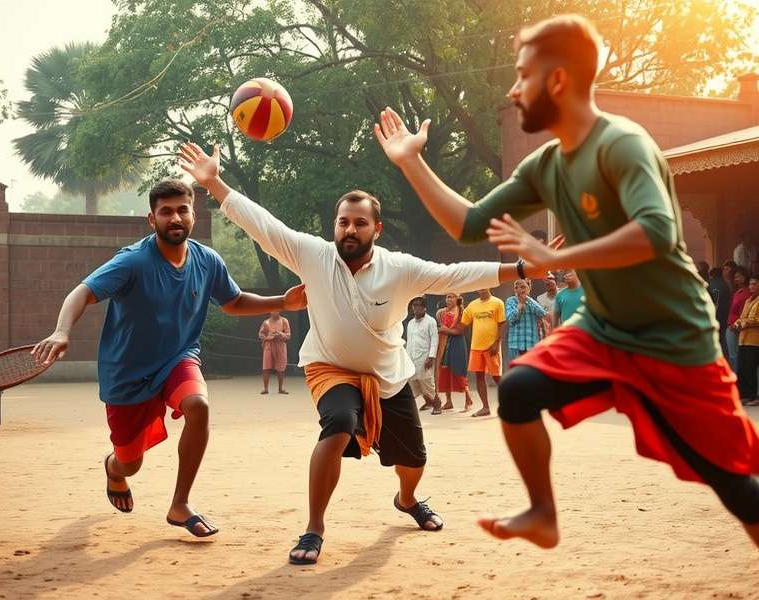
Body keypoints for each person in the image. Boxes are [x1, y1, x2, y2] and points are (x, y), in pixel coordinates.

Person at [374, 14, 759, 548]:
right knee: (519, 388)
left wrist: (556, 258)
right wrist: (411, 164)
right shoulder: (546, 164)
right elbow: (467, 224)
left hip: (675, 340)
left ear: (557, 81)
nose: (512, 90)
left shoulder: (622, 144)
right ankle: (542, 512)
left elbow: (654, 230)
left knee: (737, 486)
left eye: (522, 75)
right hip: (605, 330)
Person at [179, 143, 535, 565]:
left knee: (414, 459)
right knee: (339, 424)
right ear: (334, 226)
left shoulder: (399, 268)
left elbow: (454, 275)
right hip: (330, 368)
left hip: (388, 374)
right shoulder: (313, 255)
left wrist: (524, 268)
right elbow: (265, 226)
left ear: (376, 229)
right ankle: (313, 529)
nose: (349, 230)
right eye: (343, 222)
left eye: (360, 223)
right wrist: (214, 183)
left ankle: (407, 499)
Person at [32, 179, 307, 537]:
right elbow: (82, 292)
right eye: (166, 211)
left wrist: (282, 302)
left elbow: (233, 301)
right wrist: (62, 330)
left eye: (182, 209)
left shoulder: (207, 260)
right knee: (130, 463)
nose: (175, 217)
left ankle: (180, 504)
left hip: (178, 358)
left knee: (199, 406)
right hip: (127, 375)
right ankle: (114, 470)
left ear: (193, 215)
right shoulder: (132, 261)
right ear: (152, 219)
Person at [453, 289, 506, 418]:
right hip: (476, 346)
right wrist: (459, 307)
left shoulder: (497, 302)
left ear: (490, 286)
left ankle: (510, 404)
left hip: (491, 346)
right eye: (479, 285)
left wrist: (496, 343)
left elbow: (502, 324)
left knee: (497, 377)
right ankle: (485, 407)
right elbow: (462, 325)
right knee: (479, 376)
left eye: (484, 285)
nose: (481, 287)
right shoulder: (472, 305)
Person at [436, 293, 473, 411]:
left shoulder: (462, 312)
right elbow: (438, 327)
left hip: (457, 343)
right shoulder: (440, 313)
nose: (449, 299)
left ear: (457, 299)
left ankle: (468, 399)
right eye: (447, 297)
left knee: (458, 371)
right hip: (444, 343)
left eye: (452, 296)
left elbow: (460, 331)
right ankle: (448, 401)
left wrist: (445, 330)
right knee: (444, 370)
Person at [406, 297, 440, 414]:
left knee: (427, 383)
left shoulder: (430, 321)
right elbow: (409, 342)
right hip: (411, 358)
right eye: (414, 305)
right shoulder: (410, 323)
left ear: (424, 308)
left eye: (419, 305)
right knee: (414, 383)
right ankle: (428, 402)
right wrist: (406, 359)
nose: (416, 308)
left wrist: (431, 357)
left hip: (425, 357)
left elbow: (435, 340)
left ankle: (437, 405)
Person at [505, 279, 546, 361]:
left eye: (523, 287)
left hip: (531, 343)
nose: (519, 289)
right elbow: (511, 318)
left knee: (530, 371)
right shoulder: (511, 301)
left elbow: (542, 313)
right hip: (515, 344)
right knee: (516, 372)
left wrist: (526, 299)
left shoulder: (533, 302)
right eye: (516, 287)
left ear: (529, 288)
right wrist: (520, 305)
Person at [735, 276, 759, 406]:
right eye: (750, 284)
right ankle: (744, 395)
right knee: (743, 368)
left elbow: (754, 319)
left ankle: (753, 396)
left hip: (754, 340)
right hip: (743, 339)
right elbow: (742, 316)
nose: (751, 287)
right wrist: (737, 323)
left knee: (750, 368)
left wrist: (747, 323)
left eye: (754, 284)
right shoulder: (749, 300)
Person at [259, 311, 291, 394]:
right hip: (269, 345)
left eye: (276, 309)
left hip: (280, 345)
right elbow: (260, 334)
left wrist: (280, 334)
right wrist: (267, 338)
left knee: (281, 367)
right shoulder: (266, 322)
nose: (274, 312)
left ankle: (280, 388)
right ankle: (265, 389)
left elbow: (288, 335)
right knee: (266, 367)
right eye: (272, 310)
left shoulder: (284, 321)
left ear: (279, 311)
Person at [726, 266, 750, 371]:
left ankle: (737, 380)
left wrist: (736, 325)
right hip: (732, 326)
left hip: (737, 327)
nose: (737, 279)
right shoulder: (737, 292)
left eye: (739, 276)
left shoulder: (748, 292)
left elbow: (745, 313)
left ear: (745, 277)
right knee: (733, 355)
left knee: (735, 356)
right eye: (735, 277)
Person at [708, 267, 732, 359]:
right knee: (723, 339)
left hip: (714, 316)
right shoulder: (725, 284)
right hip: (725, 315)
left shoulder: (709, 284)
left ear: (711, 274)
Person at [536, 273, 558, 337]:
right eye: (545, 280)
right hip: (548, 334)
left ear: (555, 281)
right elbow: (539, 319)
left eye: (550, 279)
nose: (548, 281)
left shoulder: (563, 295)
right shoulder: (540, 298)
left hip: (563, 330)